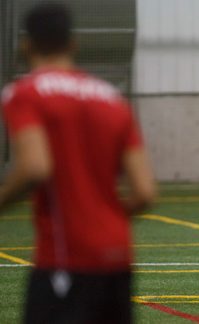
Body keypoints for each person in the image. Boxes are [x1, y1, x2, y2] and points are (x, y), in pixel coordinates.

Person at [0, 3, 156, 323]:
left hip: (65, 259)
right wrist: (103, 216)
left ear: (26, 44)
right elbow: (144, 193)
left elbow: (35, 167)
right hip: (117, 258)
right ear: (73, 43)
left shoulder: (25, 93)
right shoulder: (112, 99)